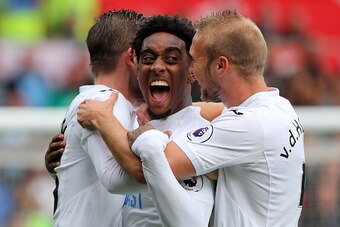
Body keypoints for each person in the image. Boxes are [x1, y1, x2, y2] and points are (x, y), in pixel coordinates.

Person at [77, 10, 306, 227]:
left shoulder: (244, 126)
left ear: (220, 65)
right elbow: (215, 112)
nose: (192, 72)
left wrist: (103, 120)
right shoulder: (277, 108)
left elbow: (147, 165)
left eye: (194, 60)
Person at [77, 14, 216, 227]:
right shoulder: (131, 123)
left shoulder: (199, 137)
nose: (157, 66)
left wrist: (148, 143)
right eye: (148, 59)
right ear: (137, 67)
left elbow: (191, 224)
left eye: (171, 59)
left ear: (191, 71)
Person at [51, 9, 146, 227]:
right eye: (148, 56)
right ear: (132, 57)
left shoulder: (104, 103)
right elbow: (120, 178)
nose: (154, 67)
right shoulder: (102, 103)